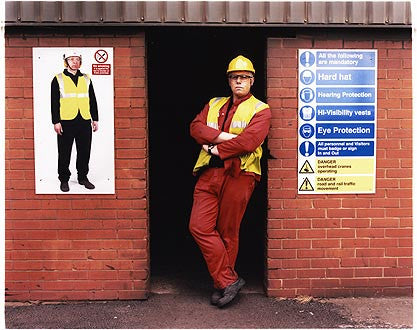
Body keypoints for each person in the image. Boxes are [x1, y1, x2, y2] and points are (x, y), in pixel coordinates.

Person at [189, 55, 271, 307]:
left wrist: (216, 146)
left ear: (252, 81)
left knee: (228, 232)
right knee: (198, 226)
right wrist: (228, 136)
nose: (239, 81)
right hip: (209, 173)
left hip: (239, 174)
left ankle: (221, 284)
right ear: (228, 80)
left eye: (244, 77)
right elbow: (195, 128)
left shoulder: (261, 109)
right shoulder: (214, 103)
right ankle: (228, 280)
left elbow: (249, 141)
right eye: (235, 77)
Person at [50, 51, 99, 192]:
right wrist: (56, 121)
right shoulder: (57, 79)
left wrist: (95, 118)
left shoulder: (86, 78)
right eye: (71, 59)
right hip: (66, 121)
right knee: (64, 152)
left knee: (84, 151)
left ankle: (83, 177)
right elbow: (54, 102)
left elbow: (92, 100)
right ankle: (64, 179)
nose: (74, 62)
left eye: (77, 59)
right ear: (66, 62)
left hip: (84, 120)